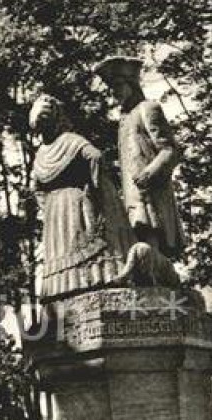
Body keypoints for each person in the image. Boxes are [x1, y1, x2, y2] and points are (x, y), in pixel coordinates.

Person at [28, 94, 134, 301]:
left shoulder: (65, 142)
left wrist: (93, 192)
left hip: (63, 208)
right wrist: (93, 187)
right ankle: (77, 287)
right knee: (70, 251)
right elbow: (94, 157)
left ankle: (77, 287)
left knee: (80, 251)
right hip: (66, 207)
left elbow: (94, 157)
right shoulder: (65, 143)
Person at [93, 55, 185, 259]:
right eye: (110, 88)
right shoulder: (124, 120)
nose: (113, 93)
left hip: (151, 191)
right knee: (139, 242)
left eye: (117, 86)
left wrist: (150, 172)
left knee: (151, 243)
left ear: (131, 84)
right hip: (132, 195)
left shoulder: (148, 109)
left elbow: (170, 150)